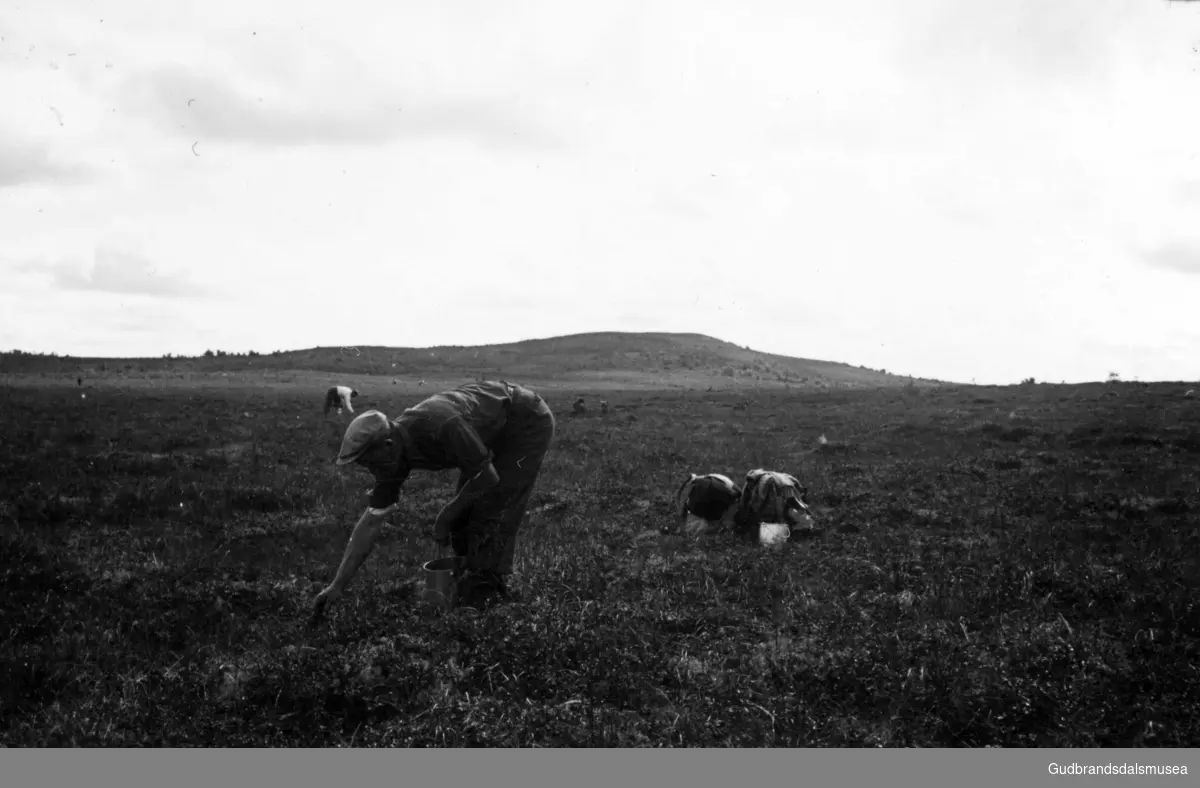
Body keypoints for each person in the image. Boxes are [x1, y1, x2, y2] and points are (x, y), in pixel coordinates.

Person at [310, 380, 556, 622]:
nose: (372, 471)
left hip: (526, 418)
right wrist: (337, 586)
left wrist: (445, 515)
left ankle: (492, 605)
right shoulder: (391, 457)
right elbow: (371, 523)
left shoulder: (441, 424)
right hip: (491, 426)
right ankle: (469, 584)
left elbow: (487, 477)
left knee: (491, 509)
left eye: (370, 463)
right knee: (464, 516)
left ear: (386, 446)